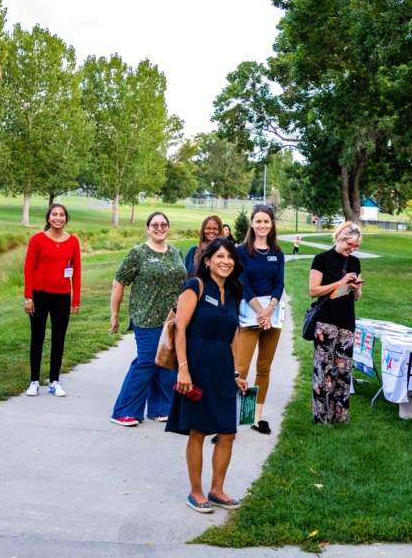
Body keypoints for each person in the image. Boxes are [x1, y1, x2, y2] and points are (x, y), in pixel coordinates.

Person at [166, 237, 248, 513]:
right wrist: (183, 368)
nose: (226, 261)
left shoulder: (234, 292)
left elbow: (233, 335)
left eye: (230, 257)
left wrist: (235, 372)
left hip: (222, 366)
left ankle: (217, 489)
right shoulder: (195, 286)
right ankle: (196, 492)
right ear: (208, 260)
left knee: (227, 432)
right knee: (198, 431)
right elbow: (180, 329)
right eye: (220, 256)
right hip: (196, 364)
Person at [108, 212, 187, 426]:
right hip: (146, 317)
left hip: (171, 317)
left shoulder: (176, 253)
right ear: (147, 228)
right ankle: (123, 410)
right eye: (155, 225)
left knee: (166, 362)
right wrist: (114, 315)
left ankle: (160, 408)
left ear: (168, 227)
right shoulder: (138, 254)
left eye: (163, 224)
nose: (159, 228)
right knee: (146, 362)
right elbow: (119, 282)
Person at [234, 204, 285, 434]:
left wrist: (270, 309)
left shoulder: (277, 252)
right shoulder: (242, 251)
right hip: (249, 314)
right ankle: (227, 418)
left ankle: (254, 416)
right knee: (240, 369)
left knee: (264, 368)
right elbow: (242, 282)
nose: (262, 225)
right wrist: (259, 311)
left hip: (272, 316)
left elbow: (279, 283)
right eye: (258, 221)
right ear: (252, 224)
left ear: (271, 224)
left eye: (266, 221)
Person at [23, 203, 81, 397]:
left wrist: (76, 300)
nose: (58, 218)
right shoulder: (37, 240)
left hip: (62, 297)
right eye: (54, 214)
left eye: (62, 215)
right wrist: (28, 297)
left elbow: (77, 272)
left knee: (59, 338)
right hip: (39, 295)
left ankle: (54, 381)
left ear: (66, 218)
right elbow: (29, 269)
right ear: (48, 218)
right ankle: (34, 382)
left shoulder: (73, 242)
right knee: (37, 338)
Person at [309, 221, 363, 424]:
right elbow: (313, 291)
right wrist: (339, 283)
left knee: (343, 370)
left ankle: (340, 416)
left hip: (346, 320)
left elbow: (358, 297)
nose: (353, 249)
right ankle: (321, 416)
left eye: (356, 246)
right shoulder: (321, 259)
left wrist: (355, 287)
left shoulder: (355, 262)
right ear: (340, 238)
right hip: (326, 320)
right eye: (350, 245)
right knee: (324, 370)